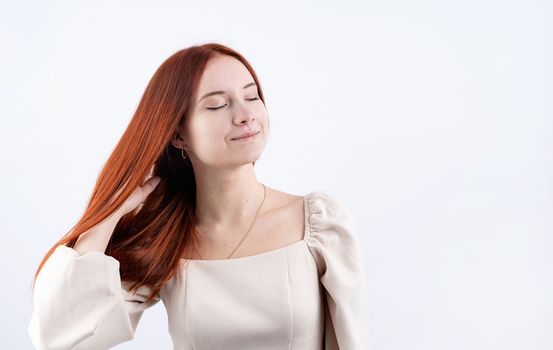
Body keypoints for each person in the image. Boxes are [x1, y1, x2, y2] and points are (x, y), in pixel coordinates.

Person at [28, 42, 367, 349]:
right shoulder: (166, 241)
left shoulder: (317, 225)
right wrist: (111, 213)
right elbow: (60, 339)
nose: (246, 114)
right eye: (218, 105)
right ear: (178, 134)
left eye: (252, 96)